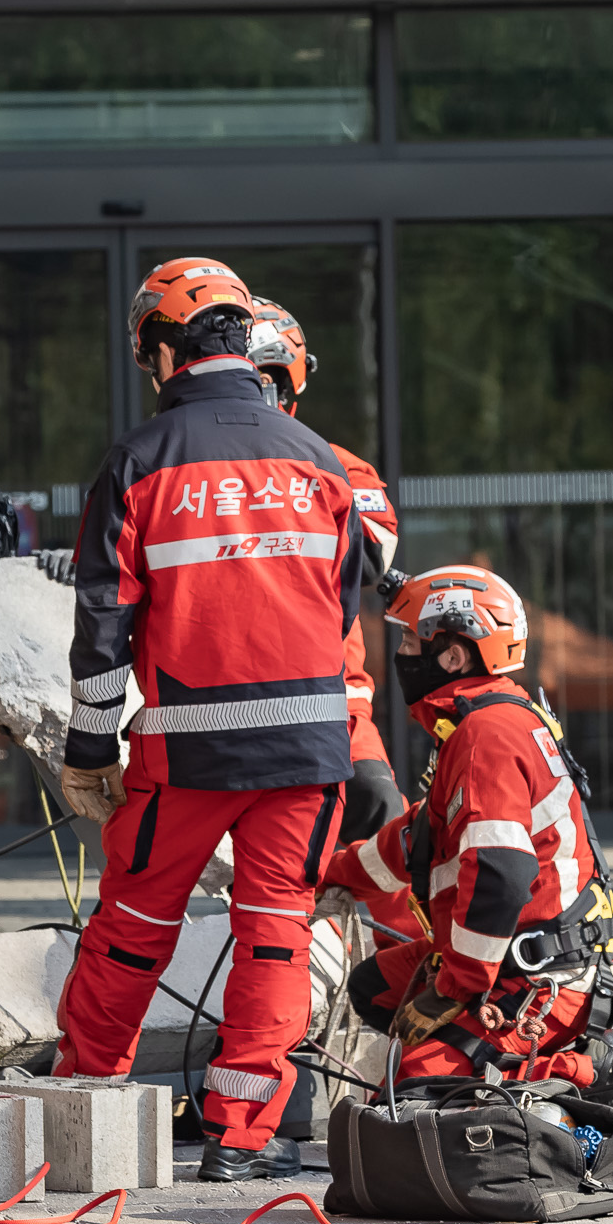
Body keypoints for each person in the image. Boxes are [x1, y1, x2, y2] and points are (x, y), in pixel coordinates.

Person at [52, 257, 361, 1184]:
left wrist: (85, 748)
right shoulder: (320, 463)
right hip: (307, 751)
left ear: (159, 345)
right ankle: (240, 1139)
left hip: (183, 754)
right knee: (276, 931)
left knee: (131, 928)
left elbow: (101, 624)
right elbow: (340, 611)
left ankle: (85, 1111)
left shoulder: (140, 461)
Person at [325, 566, 613, 1089]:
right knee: (375, 988)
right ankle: (481, 1061)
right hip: (507, 956)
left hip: (539, 977)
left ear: (453, 655)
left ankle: (593, 1073)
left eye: (412, 641)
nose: (401, 654)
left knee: (418, 1081)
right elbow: (423, 838)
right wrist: (328, 878)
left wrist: (452, 991)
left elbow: (500, 873)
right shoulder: (478, 720)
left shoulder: (486, 735)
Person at [244, 296, 405, 848]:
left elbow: (375, 552)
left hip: (332, 706)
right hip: (217, 707)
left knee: (381, 815)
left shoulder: (333, 462)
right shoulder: (179, 465)